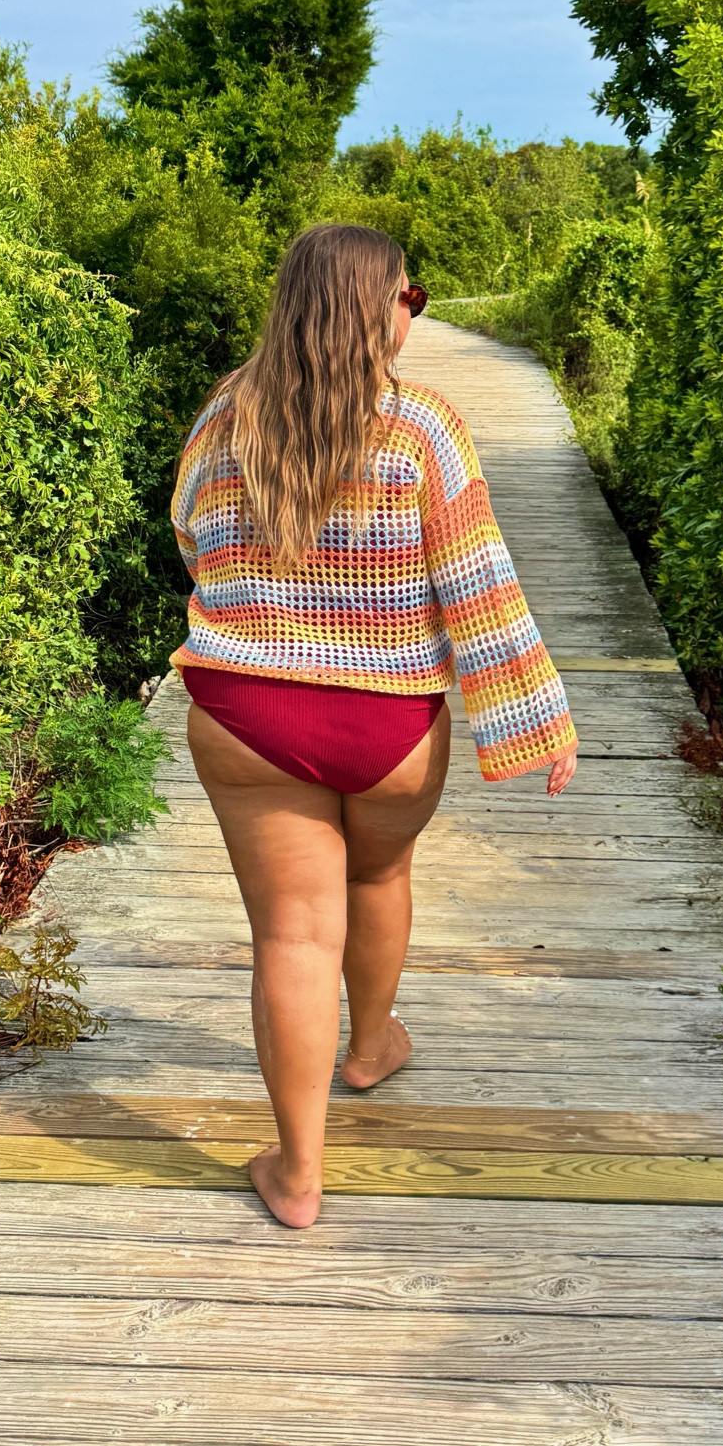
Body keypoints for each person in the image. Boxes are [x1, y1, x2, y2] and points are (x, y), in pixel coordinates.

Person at [170, 222, 578, 1227]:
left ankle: (298, 1172)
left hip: (247, 708)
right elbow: (476, 576)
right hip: (389, 720)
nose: (414, 310)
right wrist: (538, 714)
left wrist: (268, 605)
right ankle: (370, 1043)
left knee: (292, 934)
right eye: (411, 295)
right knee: (379, 873)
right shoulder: (423, 427)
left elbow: (189, 532)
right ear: (375, 308)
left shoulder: (225, 415)